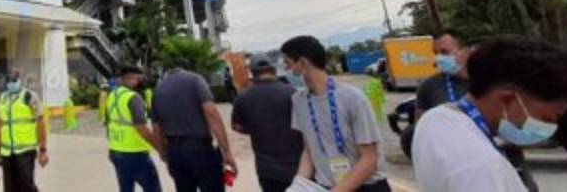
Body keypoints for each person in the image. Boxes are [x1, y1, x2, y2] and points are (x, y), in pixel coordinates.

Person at [411, 36, 567, 192]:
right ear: (507, 99)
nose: (550, 127)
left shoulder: (437, 118)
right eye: (549, 119)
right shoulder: (482, 169)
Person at [281, 35, 390, 192]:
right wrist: (299, 184)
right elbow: (309, 148)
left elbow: (369, 159)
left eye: (288, 63)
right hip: (327, 186)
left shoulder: (352, 98)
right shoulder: (299, 101)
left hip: (367, 186)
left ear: (303, 62)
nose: (286, 70)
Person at [151, 62, 238, 192]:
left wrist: (166, 157)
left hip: (175, 153)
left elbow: (156, 129)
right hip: (201, 152)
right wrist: (227, 152)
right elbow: (212, 114)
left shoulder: (158, 90)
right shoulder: (195, 80)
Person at [231, 57, 304, 192]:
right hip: (297, 166)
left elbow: (237, 126)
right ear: (274, 70)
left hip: (267, 169)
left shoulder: (242, 97)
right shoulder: (293, 93)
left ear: (252, 73)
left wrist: (255, 128)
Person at [105, 66, 164, 192]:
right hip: (135, 152)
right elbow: (141, 127)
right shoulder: (133, 97)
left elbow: (108, 123)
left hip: (116, 151)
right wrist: (159, 147)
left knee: (126, 189)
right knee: (153, 188)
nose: (141, 82)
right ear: (132, 79)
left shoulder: (112, 95)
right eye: (139, 79)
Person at [0, 71, 49, 192]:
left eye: (14, 80)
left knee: (26, 185)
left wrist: (43, 150)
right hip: (7, 152)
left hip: (25, 150)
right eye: (9, 81)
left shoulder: (29, 96)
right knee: (10, 188)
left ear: (19, 80)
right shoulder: (2, 98)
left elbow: (41, 122)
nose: (11, 83)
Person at [416, 31, 472, 118]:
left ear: (466, 52)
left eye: (444, 52)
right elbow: (421, 126)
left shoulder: (491, 81)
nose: (439, 58)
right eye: (436, 53)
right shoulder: (428, 86)